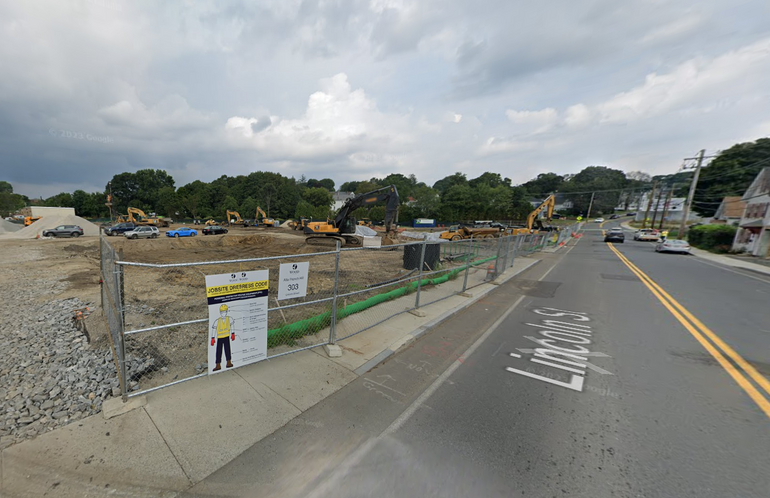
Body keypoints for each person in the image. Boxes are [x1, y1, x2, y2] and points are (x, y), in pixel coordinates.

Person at [210, 304, 236, 371]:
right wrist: (213, 338)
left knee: (227, 349)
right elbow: (214, 329)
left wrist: (233, 333)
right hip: (220, 337)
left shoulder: (229, 319)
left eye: (224, 312)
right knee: (219, 351)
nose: (223, 314)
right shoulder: (217, 321)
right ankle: (218, 364)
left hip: (226, 336)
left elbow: (232, 325)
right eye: (222, 312)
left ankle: (228, 362)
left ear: (226, 312)